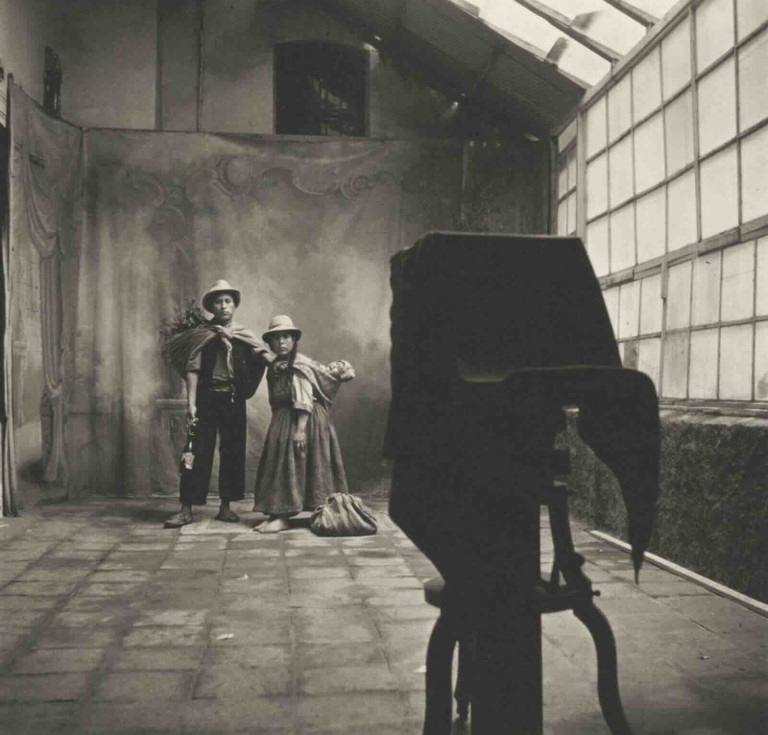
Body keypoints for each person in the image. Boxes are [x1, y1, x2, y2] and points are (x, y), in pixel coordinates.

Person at [163, 280, 273, 528]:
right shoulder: (203, 335)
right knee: (194, 451)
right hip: (206, 399)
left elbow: (263, 355)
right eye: (218, 301)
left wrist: (277, 362)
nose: (223, 306)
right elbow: (192, 369)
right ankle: (186, 509)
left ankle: (225, 507)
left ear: (235, 305)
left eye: (228, 301)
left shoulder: (243, 335)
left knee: (233, 451)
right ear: (211, 307)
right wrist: (191, 404)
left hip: (233, 400)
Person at [253, 315, 354, 533]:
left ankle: (285, 517)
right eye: (276, 338)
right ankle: (276, 513)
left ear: (294, 340)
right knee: (281, 465)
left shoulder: (299, 366)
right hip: (284, 418)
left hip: (304, 419)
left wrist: (300, 430)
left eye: (286, 337)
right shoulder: (276, 365)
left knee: (293, 464)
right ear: (270, 343)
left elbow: (303, 399)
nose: (281, 342)